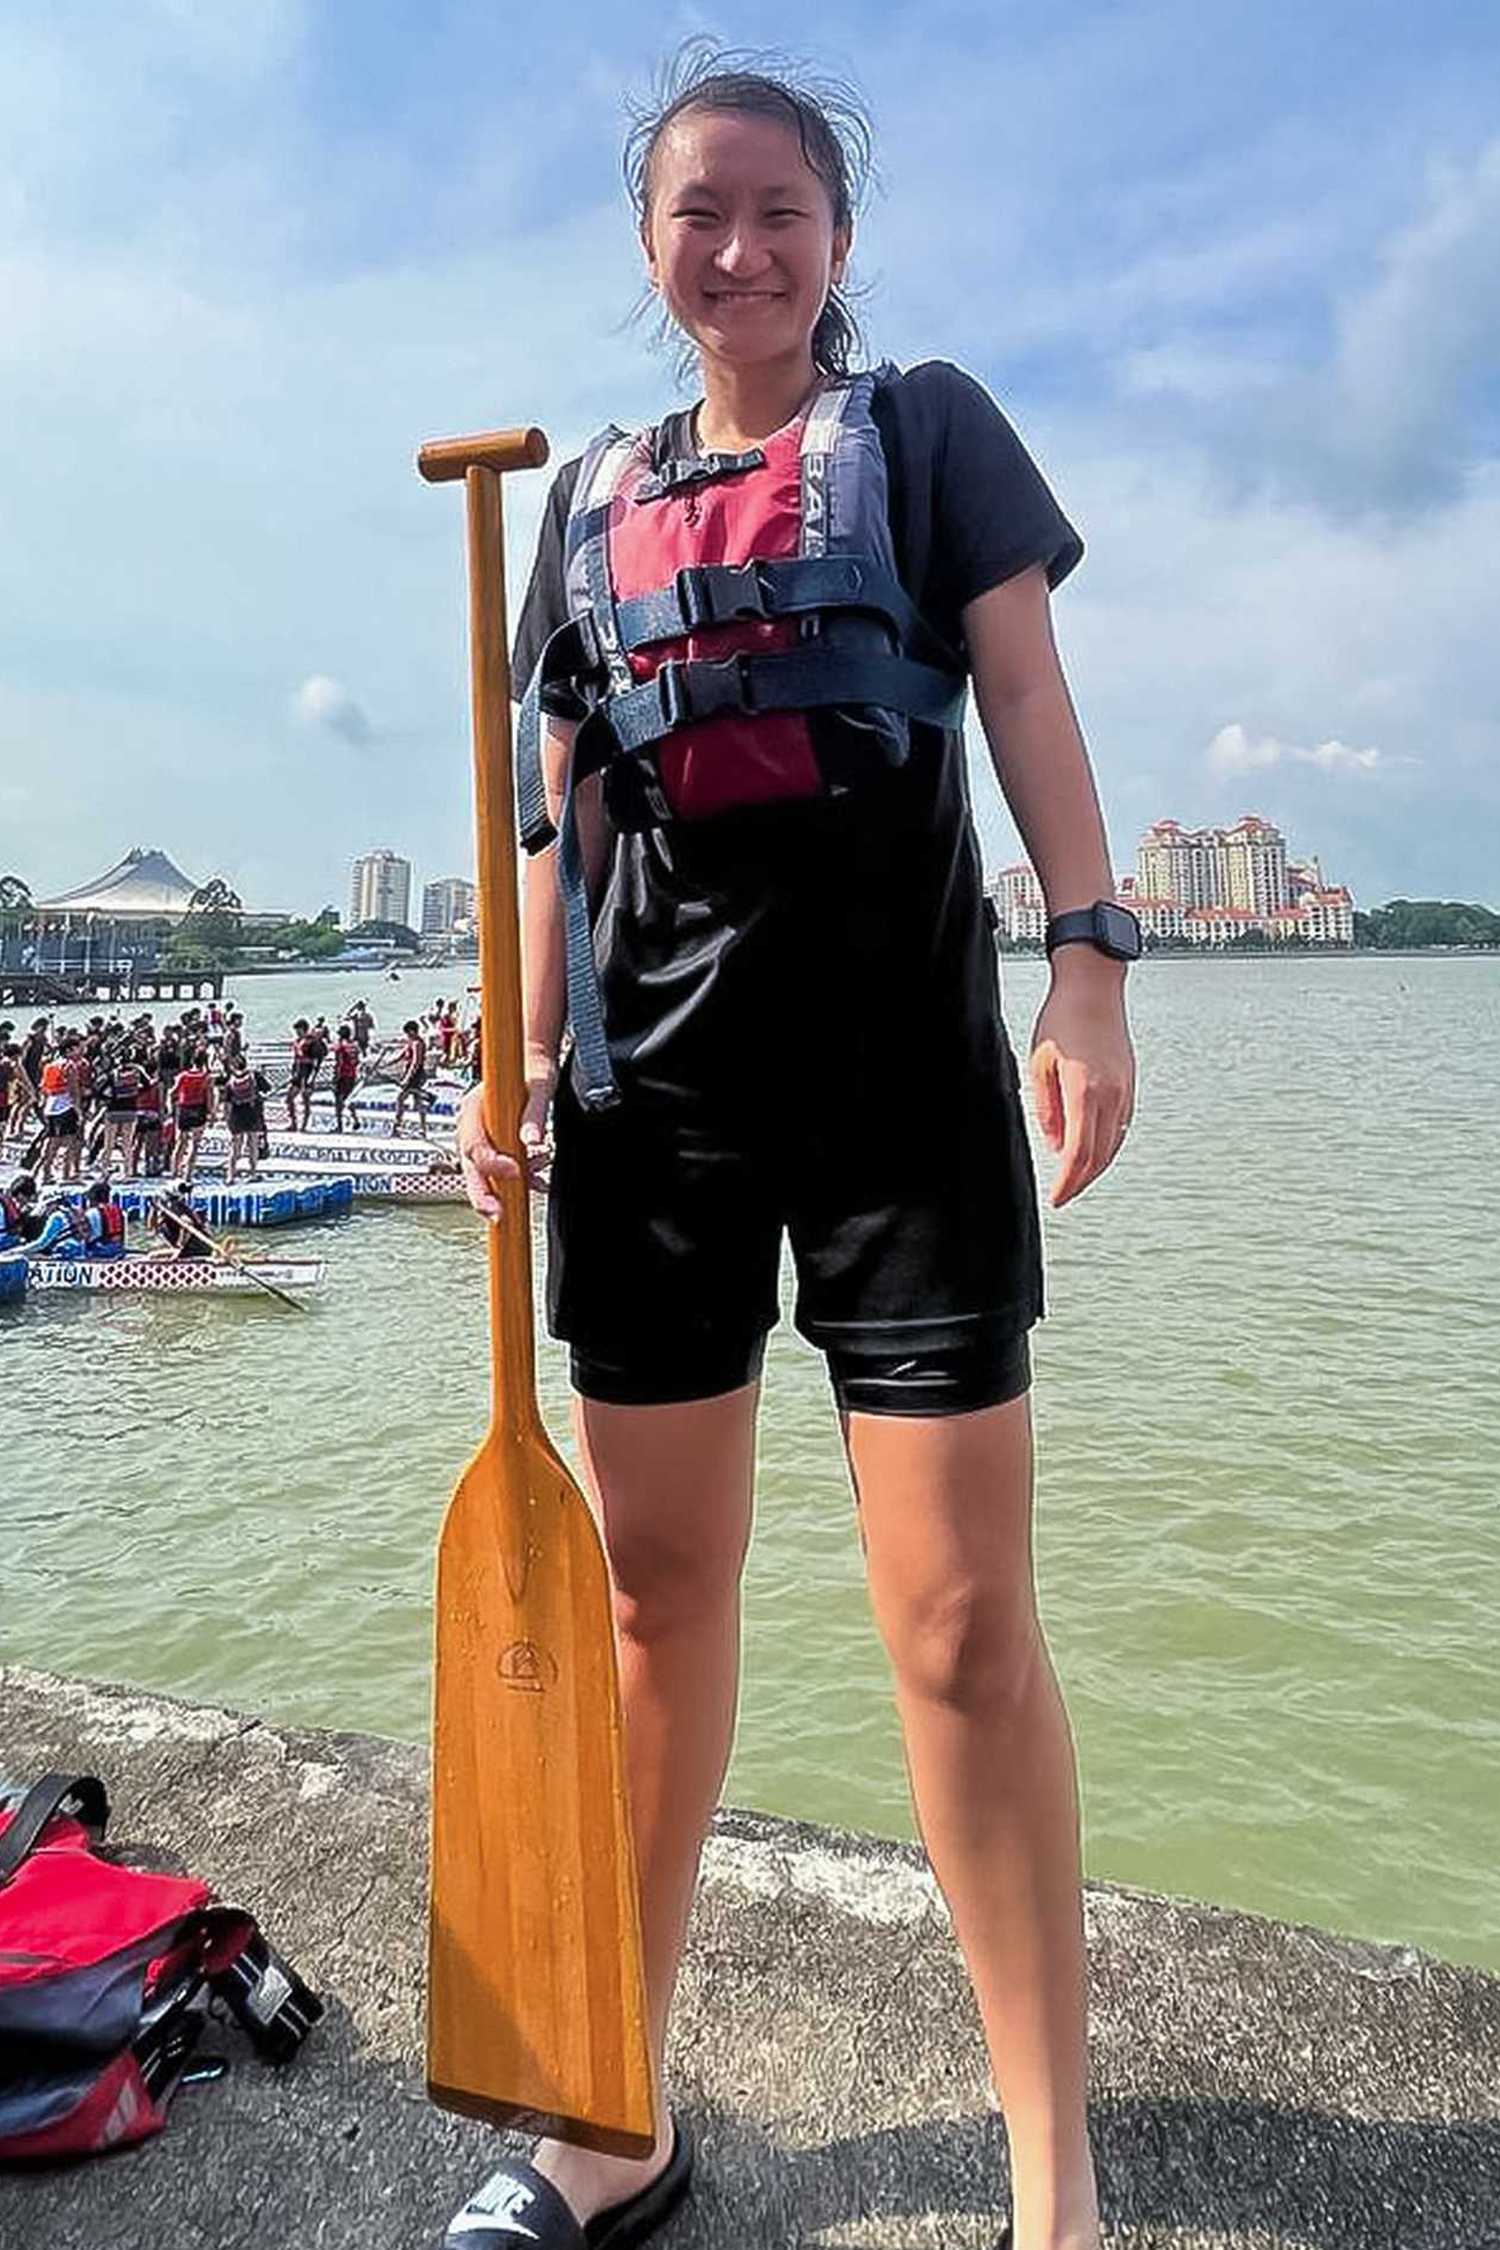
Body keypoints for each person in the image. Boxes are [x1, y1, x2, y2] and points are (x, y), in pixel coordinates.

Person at [450, 51, 1137, 2250]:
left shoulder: (928, 430)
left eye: (782, 213)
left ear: (838, 241)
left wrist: (1094, 967)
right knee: (654, 1611)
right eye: (696, 214)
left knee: (960, 1636)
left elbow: (1025, 700)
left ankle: (1054, 2176)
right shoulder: (582, 505)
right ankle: (613, 2121)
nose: (739, 251)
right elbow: (556, 821)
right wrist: (513, 1067)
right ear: (644, 245)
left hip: (900, 1110)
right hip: (650, 1118)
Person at [35, 1036, 85, 1187]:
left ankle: (46, 1173)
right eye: (77, 1048)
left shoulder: (50, 1065)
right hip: (65, 1107)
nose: (80, 1050)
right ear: (69, 1050)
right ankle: (66, 1174)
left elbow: (43, 1087)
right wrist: (79, 1111)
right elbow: (74, 1090)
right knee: (71, 1141)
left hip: (50, 1107)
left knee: (52, 1143)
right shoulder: (70, 1066)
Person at [222, 1054, 269, 1182]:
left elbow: (227, 1104)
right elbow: (267, 1088)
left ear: (232, 1066)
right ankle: (252, 1173)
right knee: (253, 1144)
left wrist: (227, 1120)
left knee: (235, 1146)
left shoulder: (230, 1082)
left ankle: (230, 1175)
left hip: (237, 1115)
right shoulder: (254, 1076)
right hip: (253, 1113)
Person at [170, 1047, 214, 1182]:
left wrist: (172, 1105)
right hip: (198, 1109)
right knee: (194, 1145)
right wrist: (211, 1114)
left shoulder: (183, 1076)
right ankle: (187, 1174)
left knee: (180, 1142)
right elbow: (209, 1097)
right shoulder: (207, 1078)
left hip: (184, 1109)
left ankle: (175, 1171)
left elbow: (172, 1092)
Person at [149, 1183, 211, 1261]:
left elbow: (188, 1222)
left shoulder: (177, 1207)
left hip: (197, 1250)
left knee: (152, 1256)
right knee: (153, 1252)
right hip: (190, 1250)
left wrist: (179, 1248)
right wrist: (153, 1209)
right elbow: (152, 1228)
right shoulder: (167, 1212)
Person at [331, 1024, 363, 1134]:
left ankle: (339, 1126)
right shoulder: (354, 1046)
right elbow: (358, 1061)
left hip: (343, 1075)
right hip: (352, 1075)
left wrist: (336, 1077)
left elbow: (339, 1063)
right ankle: (355, 1119)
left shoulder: (340, 1046)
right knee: (348, 1098)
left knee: (338, 1101)